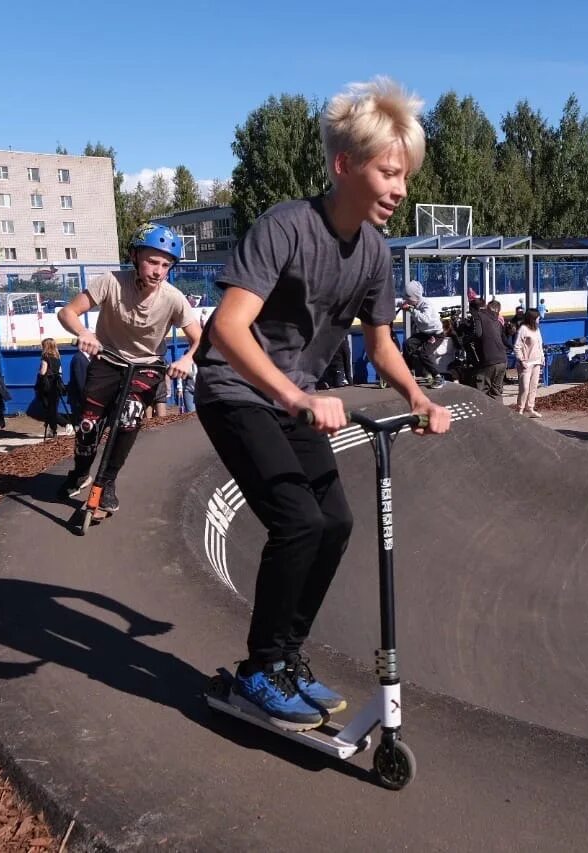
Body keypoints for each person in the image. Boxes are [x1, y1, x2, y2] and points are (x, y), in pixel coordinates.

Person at [193, 77, 450, 731]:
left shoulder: (374, 253)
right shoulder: (285, 226)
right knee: (298, 521)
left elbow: (383, 345)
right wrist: (294, 393)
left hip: (294, 400)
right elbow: (226, 326)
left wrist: (419, 395)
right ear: (345, 165)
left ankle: (284, 658)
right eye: (389, 172)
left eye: (405, 176)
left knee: (334, 522)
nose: (399, 188)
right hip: (235, 388)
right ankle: (257, 669)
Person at [55, 223, 203, 509]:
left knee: (129, 418)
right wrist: (84, 333)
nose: (158, 271)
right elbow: (67, 312)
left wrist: (186, 359)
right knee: (87, 427)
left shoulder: (173, 298)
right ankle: (81, 472)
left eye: (165, 264)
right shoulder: (110, 281)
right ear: (135, 256)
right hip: (108, 360)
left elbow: (201, 339)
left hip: (146, 367)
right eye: (152, 261)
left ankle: (107, 481)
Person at [400, 279, 444, 388]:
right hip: (424, 333)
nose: (407, 301)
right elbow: (398, 302)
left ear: (415, 298)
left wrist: (411, 309)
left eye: (408, 299)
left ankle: (438, 377)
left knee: (424, 353)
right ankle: (409, 371)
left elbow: (426, 320)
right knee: (407, 344)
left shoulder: (426, 304)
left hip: (435, 334)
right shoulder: (411, 303)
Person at [469, 297, 507, 398]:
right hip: (502, 359)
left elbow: (478, 334)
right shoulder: (494, 317)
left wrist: (468, 338)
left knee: (482, 391)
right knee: (496, 392)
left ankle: (484, 413)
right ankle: (500, 413)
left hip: (490, 359)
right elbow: (501, 335)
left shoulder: (478, 315)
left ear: (473, 309)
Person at [35, 337, 68, 437]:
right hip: (56, 384)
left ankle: (65, 423)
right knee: (53, 407)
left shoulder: (45, 357)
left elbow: (43, 371)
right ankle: (53, 430)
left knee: (49, 409)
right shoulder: (57, 357)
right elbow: (60, 372)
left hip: (47, 386)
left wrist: (39, 375)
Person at [514, 308, 544, 417]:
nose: (539, 319)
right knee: (524, 387)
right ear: (532, 318)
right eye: (537, 317)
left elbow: (540, 345)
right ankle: (520, 409)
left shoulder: (537, 329)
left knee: (534, 386)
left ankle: (530, 408)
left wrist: (542, 357)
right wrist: (521, 360)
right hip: (526, 363)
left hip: (537, 362)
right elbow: (517, 346)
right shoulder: (523, 329)